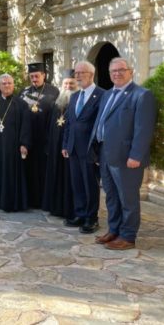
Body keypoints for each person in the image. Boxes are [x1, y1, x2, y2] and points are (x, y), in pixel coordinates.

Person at [90, 57, 157, 250]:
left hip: (127, 157)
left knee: (128, 198)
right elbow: (102, 122)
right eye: (113, 71)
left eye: (121, 70)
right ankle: (114, 230)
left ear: (130, 72)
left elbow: (143, 129)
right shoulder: (107, 94)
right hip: (106, 154)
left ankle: (127, 236)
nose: (117, 74)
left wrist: (136, 155)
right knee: (111, 196)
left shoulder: (142, 95)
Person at [62, 61, 104, 234]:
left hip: (90, 149)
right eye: (76, 73)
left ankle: (92, 218)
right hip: (73, 148)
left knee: (90, 185)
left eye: (81, 73)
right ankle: (80, 214)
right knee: (77, 183)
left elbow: (102, 125)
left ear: (91, 74)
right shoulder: (75, 96)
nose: (78, 76)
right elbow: (69, 123)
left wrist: (99, 151)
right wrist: (66, 144)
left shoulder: (102, 95)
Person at [0, 73, 31, 212]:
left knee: (12, 174)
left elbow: (26, 125)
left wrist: (24, 144)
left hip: (14, 147)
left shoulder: (21, 104)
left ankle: (12, 203)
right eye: (4, 83)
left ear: (13, 85)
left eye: (9, 83)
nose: (7, 85)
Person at [19, 62, 59, 208]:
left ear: (44, 75)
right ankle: (29, 200)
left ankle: (44, 201)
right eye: (32, 76)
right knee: (28, 170)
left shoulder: (54, 92)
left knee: (43, 171)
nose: (34, 79)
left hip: (45, 138)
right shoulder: (23, 92)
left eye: (37, 76)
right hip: (28, 138)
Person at [42, 71, 78, 219]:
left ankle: (69, 209)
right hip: (55, 148)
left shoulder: (78, 103)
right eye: (65, 84)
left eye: (71, 84)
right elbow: (49, 126)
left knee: (69, 178)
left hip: (70, 148)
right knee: (56, 176)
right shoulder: (56, 104)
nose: (68, 86)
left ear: (77, 85)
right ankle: (55, 207)